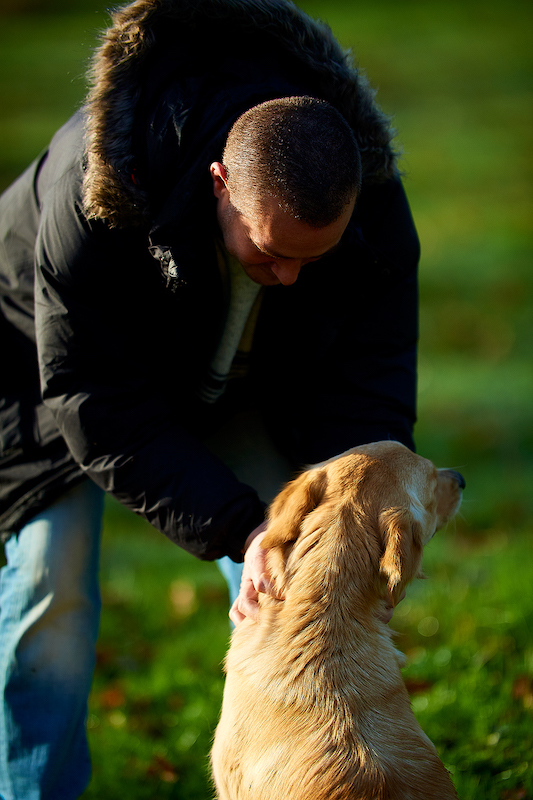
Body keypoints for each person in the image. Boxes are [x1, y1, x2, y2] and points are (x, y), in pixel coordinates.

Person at [0, 0, 419, 797]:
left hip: (246, 374)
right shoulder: (95, 199)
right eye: (272, 251)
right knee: (51, 588)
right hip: (51, 375)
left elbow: (369, 374)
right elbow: (97, 400)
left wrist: (314, 510)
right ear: (219, 182)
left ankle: (291, 772)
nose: (292, 275)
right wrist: (237, 525)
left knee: (293, 567)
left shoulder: (370, 203)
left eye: (313, 258)